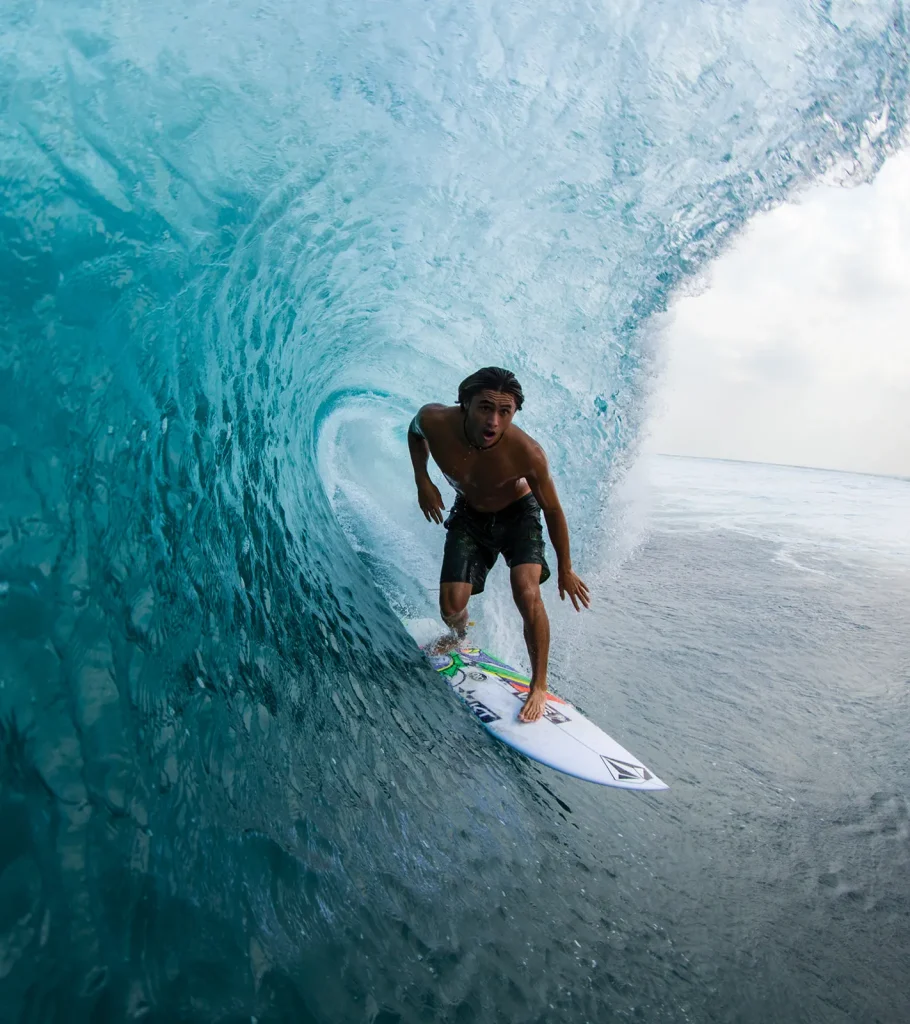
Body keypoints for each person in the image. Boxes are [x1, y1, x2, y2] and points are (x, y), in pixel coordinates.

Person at [408, 366, 590, 723]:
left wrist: (566, 569)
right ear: (465, 403)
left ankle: (539, 685)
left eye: (505, 412)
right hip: (470, 514)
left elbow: (552, 509)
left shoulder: (527, 453)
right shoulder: (434, 420)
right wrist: (422, 480)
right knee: (451, 605)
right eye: (485, 408)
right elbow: (415, 432)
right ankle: (459, 635)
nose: (494, 421)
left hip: (518, 515)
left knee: (526, 591)